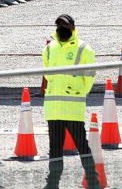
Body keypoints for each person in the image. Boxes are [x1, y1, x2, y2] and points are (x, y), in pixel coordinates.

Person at [42, 14, 100, 189]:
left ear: (73, 28)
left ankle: (93, 181)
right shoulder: (49, 48)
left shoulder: (84, 49)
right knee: (55, 150)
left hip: (73, 107)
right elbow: (47, 73)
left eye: (65, 26)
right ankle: (52, 183)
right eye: (59, 25)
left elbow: (89, 79)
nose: (62, 28)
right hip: (53, 108)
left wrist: (77, 93)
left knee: (82, 147)